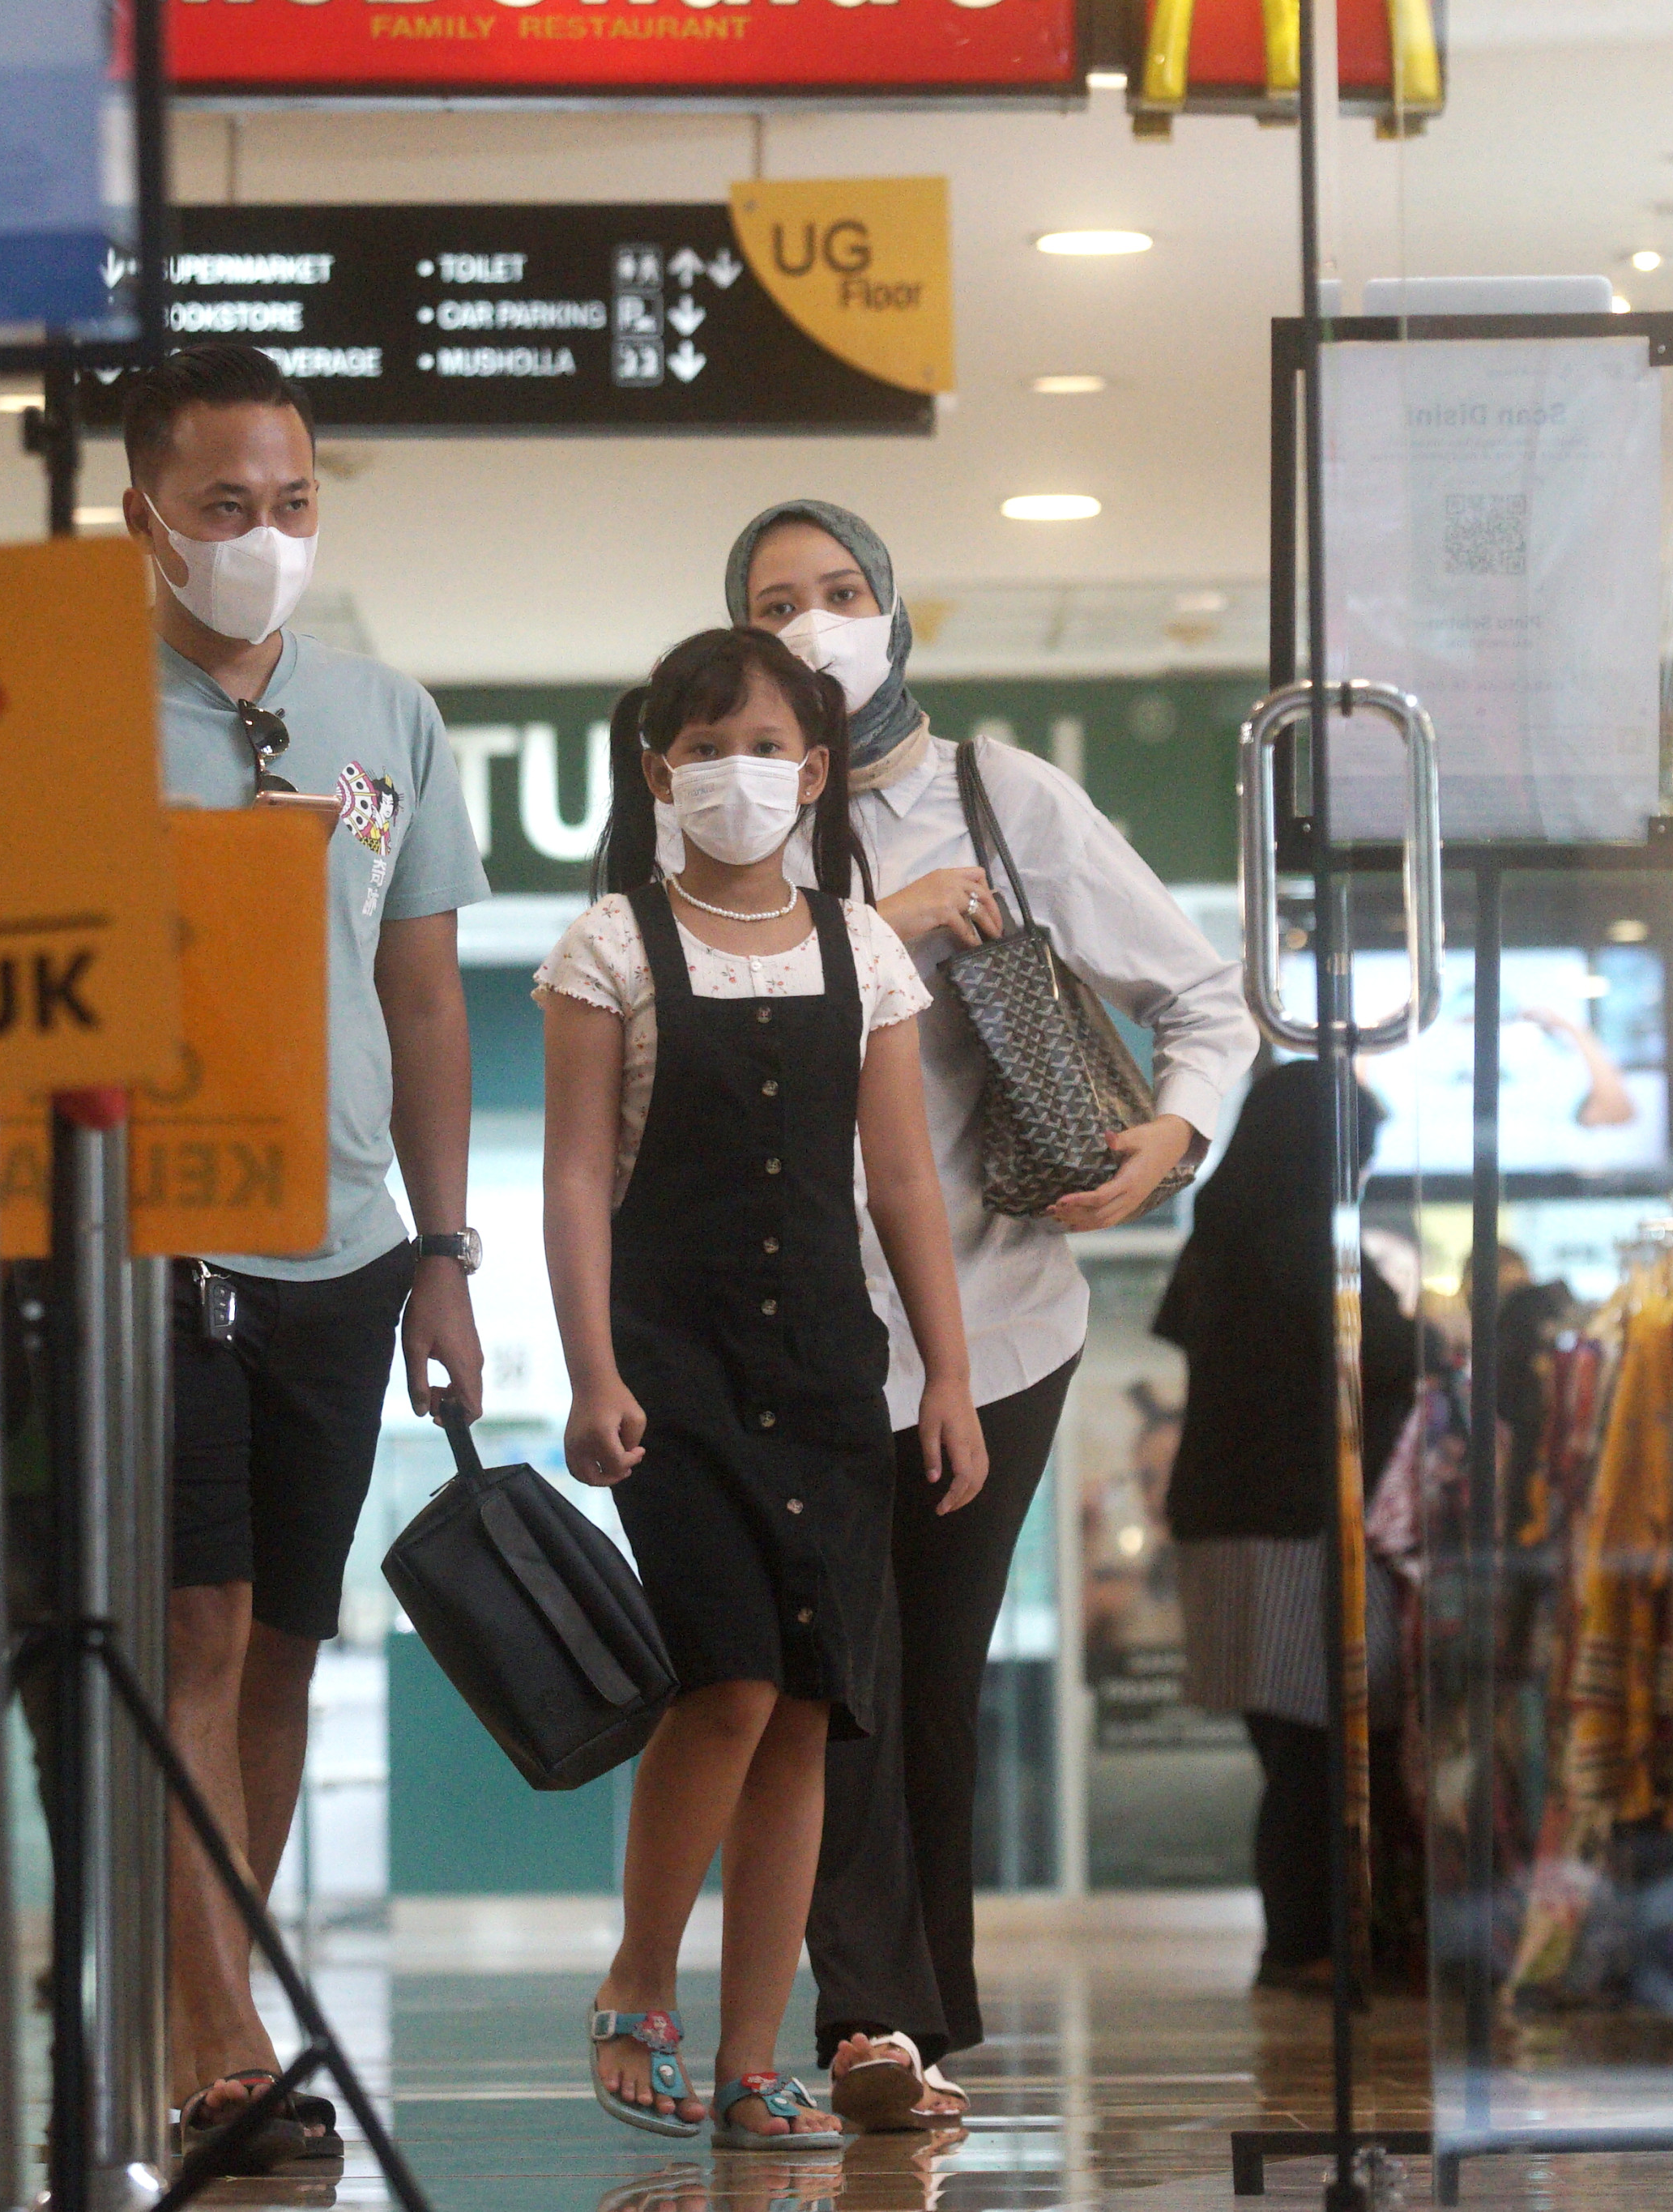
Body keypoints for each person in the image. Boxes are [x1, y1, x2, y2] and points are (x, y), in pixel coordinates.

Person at [730, 499, 1253, 2128]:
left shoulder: (1002, 795)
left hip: (1003, 1320)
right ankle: (871, 2021)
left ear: (891, 611)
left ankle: (913, 2024)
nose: (813, 624)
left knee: (930, 1666)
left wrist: (1172, 1132)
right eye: (774, 601)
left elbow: (1211, 996)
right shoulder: (718, 813)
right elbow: (687, 1022)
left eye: (838, 593)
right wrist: (870, 933)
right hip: (790, 1329)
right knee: (833, 1673)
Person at [539, 627, 986, 2150]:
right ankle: (638, 1976)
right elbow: (579, 1174)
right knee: (724, 1683)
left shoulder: (861, 944)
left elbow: (904, 1182)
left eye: (771, 746)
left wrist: (950, 1374)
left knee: (808, 1708)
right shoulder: (608, 945)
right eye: (706, 744)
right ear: (661, 766)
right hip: (674, 1375)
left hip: (826, 1374)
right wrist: (590, 1370)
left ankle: (750, 2061)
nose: (741, 771)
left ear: (815, 770)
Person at [119, 342, 491, 2172]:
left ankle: (208, 1992)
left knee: (281, 1641)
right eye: (221, 506)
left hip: (343, 1246)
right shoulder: (80, 717)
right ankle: (216, 2029)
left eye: (289, 501)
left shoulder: (384, 715)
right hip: (154, 1242)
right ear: (143, 517)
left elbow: (423, 998)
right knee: (185, 1624)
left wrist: (443, 1254)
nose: (260, 535)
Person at [1150, 1062, 1419, 1993]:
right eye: (1362, 1156)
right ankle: (1305, 1943)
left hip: (1225, 1512)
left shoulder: (1222, 1234)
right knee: (1321, 1742)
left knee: (1291, 1744)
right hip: (1290, 1518)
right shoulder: (1300, 1241)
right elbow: (1390, 1356)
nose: (1363, 1177)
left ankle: (1303, 1938)